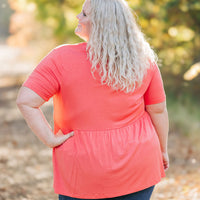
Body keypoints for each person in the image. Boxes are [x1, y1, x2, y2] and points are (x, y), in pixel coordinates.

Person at [16, 0, 169, 199]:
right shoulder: (143, 60)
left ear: (101, 23)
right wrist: (163, 150)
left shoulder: (60, 58)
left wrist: (49, 139)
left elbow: (26, 101)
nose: (78, 17)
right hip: (139, 164)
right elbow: (157, 110)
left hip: (82, 171)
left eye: (85, 14)